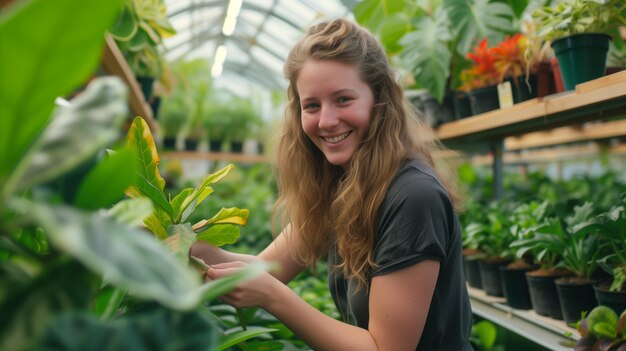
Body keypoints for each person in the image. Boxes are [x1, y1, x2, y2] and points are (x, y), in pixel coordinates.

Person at [190, 18, 473, 351]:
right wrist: (181, 244)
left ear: (379, 99)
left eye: (343, 99)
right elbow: (266, 268)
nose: (326, 121)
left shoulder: (413, 196)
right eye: (312, 105)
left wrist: (272, 296)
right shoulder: (345, 181)